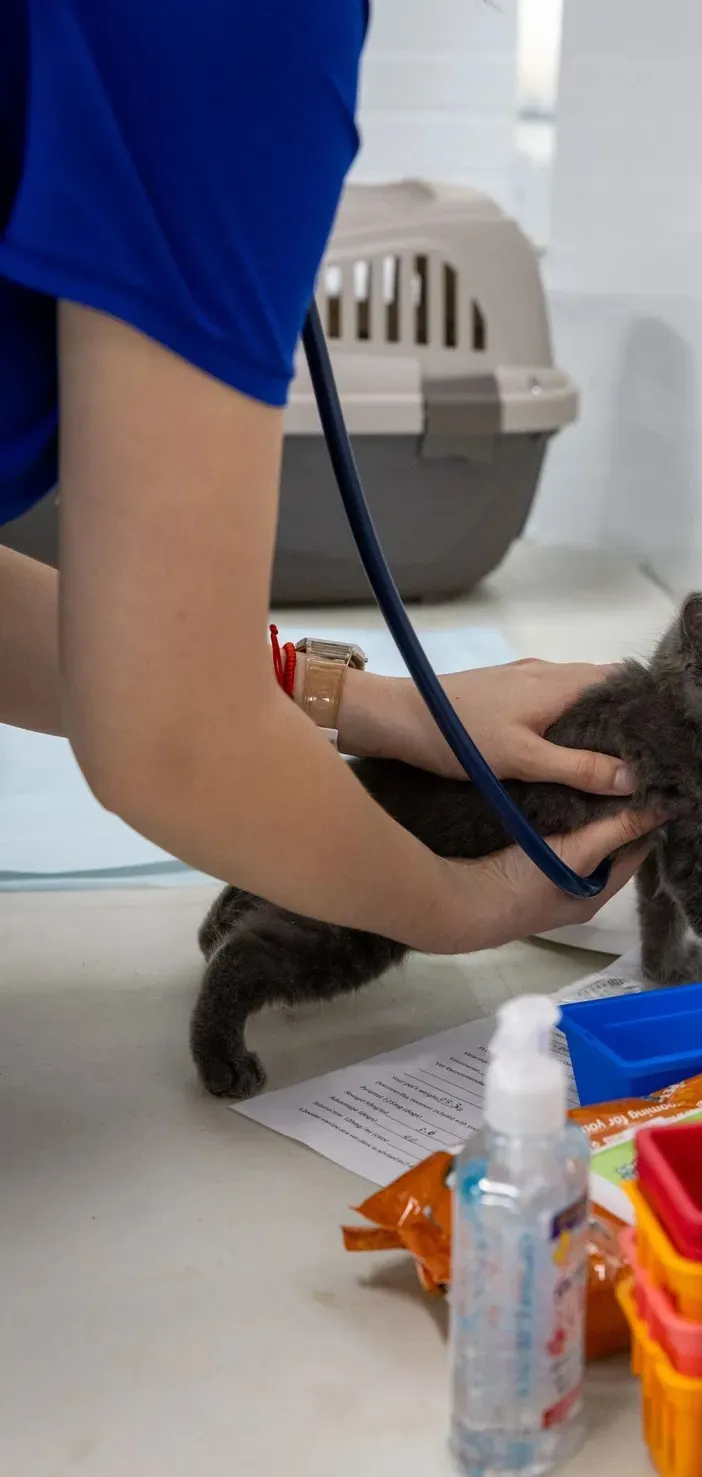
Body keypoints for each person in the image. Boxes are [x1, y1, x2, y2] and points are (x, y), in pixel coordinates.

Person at [0, 0, 660, 956]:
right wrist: (460, 903)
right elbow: (177, 742)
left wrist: (376, 708)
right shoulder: (238, 26)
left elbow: (158, 691)